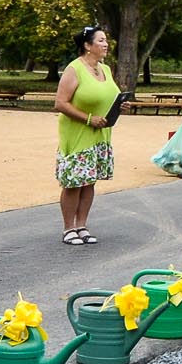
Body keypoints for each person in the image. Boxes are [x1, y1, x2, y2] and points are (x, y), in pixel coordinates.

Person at [55, 26, 122, 244]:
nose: (106, 44)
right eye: (100, 40)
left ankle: (82, 225)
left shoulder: (106, 69)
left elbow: (108, 96)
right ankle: (68, 228)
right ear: (87, 45)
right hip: (78, 133)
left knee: (89, 181)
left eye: (106, 40)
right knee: (74, 182)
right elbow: (60, 103)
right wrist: (88, 119)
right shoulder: (74, 69)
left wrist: (120, 105)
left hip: (100, 134)